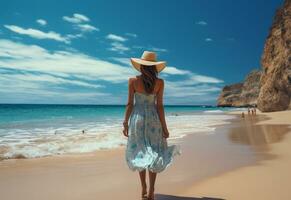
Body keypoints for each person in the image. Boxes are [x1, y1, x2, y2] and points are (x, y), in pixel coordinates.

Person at [122, 51, 180, 200]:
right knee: (154, 153)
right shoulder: (160, 83)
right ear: (155, 67)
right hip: (154, 120)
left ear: (141, 66)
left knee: (140, 152)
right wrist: (165, 128)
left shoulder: (132, 81)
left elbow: (130, 104)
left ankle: (143, 188)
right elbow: (159, 106)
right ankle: (152, 190)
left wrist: (125, 123)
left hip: (138, 120)